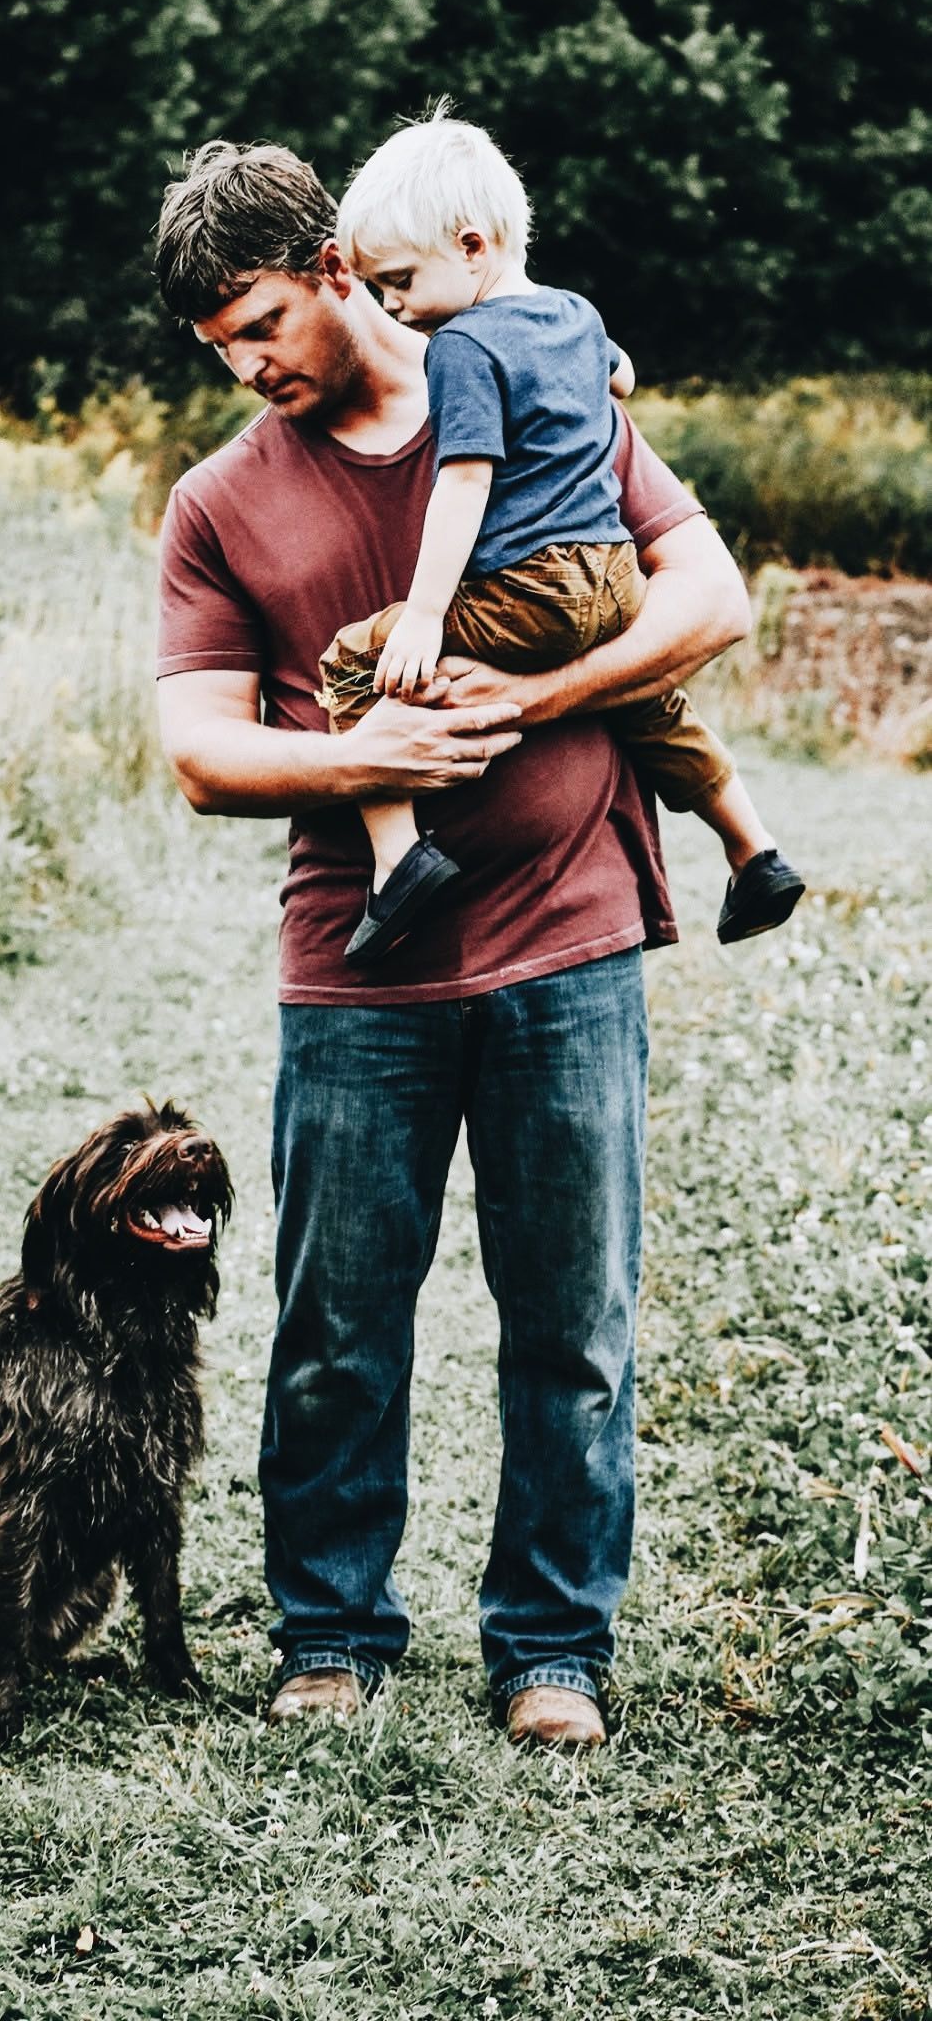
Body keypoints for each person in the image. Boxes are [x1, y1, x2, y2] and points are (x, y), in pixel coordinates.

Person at [153, 136, 754, 1746]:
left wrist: (532, 698)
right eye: (218, 346)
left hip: (572, 939)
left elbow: (710, 598)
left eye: (262, 321)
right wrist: (369, 766)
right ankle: (331, 1633)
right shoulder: (221, 501)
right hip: (356, 967)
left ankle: (551, 1651)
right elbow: (207, 751)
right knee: (335, 1325)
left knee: (572, 1324)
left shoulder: (537, 384)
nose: (248, 363)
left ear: (339, 269)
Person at [315, 111, 802, 962]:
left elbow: (463, 482)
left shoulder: (459, 346)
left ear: (470, 247)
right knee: (647, 700)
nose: (389, 305)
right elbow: (622, 375)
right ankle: (751, 849)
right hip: (616, 580)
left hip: (530, 589)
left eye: (396, 280)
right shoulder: (573, 313)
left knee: (354, 657)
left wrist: (426, 616)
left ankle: (398, 862)